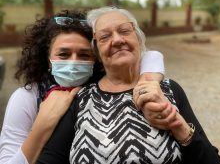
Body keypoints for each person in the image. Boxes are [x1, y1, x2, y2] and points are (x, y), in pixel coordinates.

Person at [37, 7, 220, 164]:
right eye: (105, 36)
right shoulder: (81, 98)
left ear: (139, 40)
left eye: (125, 31)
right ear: (97, 52)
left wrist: (178, 126)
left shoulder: (169, 89)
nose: (117, 40)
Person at [0, 9, 165, 164]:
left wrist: (148, 81)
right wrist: (42, 124)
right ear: (47, 60)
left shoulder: (103, 86)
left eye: (84, 55)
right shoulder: (28, 97)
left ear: (97, 58)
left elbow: (151, 55)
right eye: (63, 54)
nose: (73, 62)